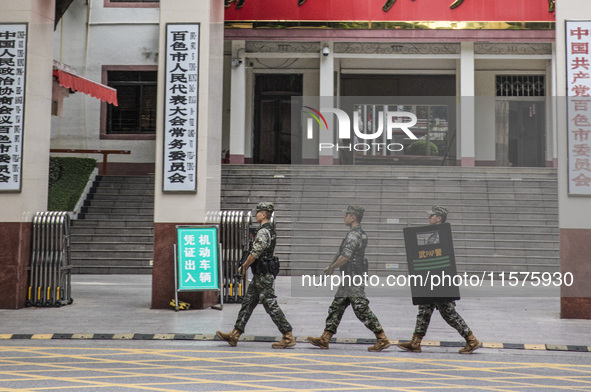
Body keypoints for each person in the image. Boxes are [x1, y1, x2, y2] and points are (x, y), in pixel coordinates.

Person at [397, 206, 481, 354]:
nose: (429, 218)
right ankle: (415, 342)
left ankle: (472, 340)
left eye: (432, 216)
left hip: (437, 282)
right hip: (433, 281)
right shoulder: (436, 235)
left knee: (448, 312)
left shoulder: (438, 236)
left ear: (438, 218)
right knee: (424, 310)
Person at [307, 205, 391, 352]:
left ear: (353, 217)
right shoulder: (360, 233)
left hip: (352, 279)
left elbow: (345, 256)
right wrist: (333, 266)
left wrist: (332, 267)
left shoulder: (353, 235)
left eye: (347, 215)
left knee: (361, 308)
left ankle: (382, 338)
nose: (344, 217)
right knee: (336, 307)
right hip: (349, 277)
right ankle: (325, 338)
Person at [216, 202, 295, 349]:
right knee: (247, 303)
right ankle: (235, 334)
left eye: (258, 212)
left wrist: (245, 265)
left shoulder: (264, 231)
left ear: (264, 214)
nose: (255, 214)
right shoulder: (265, 230)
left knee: (270, 304)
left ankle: (288, 335)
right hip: (260, 274)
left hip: (264, 276)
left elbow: (256, 252)